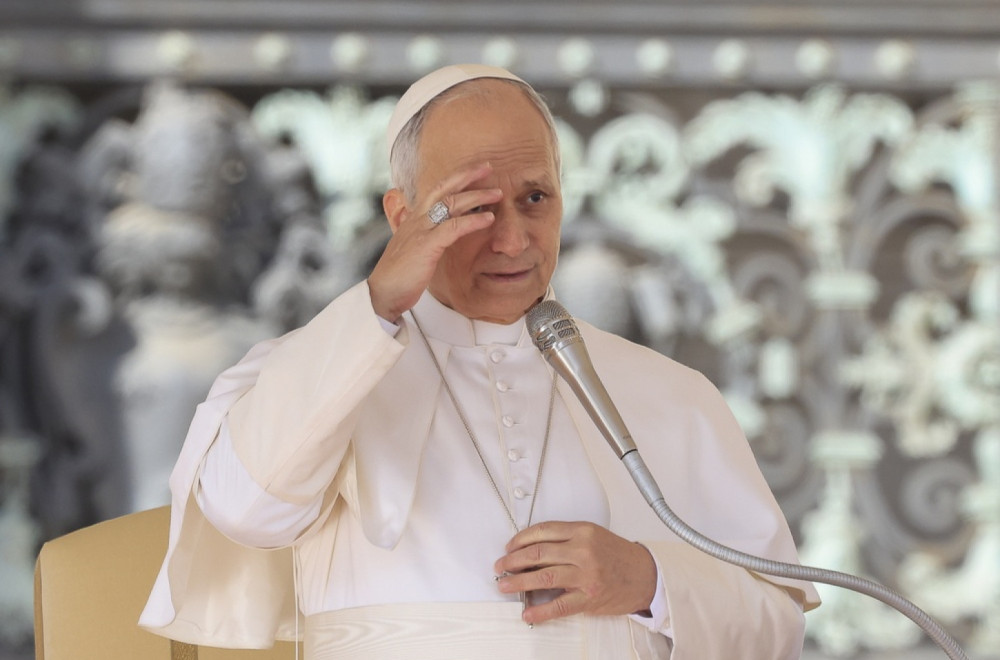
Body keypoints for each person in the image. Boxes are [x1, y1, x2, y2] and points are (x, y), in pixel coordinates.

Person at [140, 64, 820, 659]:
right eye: (474, 207)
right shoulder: (312, 369)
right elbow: (243, 510)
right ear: (404, 216)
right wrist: (376, 303)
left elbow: (777, 629)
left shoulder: (669, 392)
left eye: (534, 199)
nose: (514, 240)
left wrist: (649, 581)